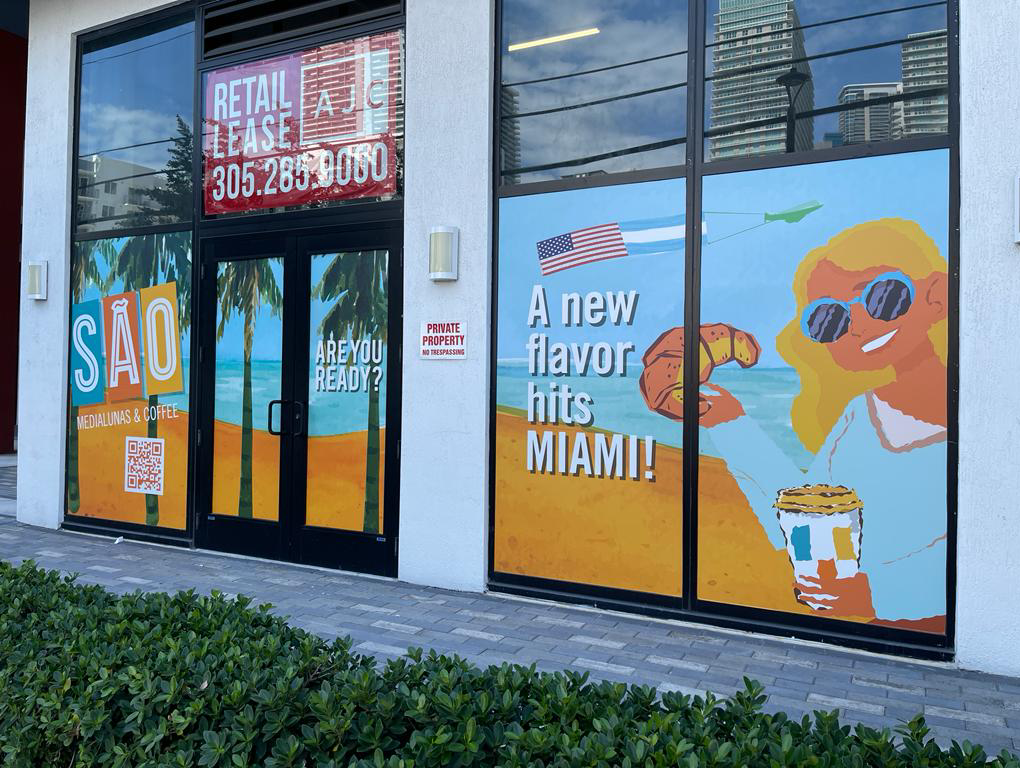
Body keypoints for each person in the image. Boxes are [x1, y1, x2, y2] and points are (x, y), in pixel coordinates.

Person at [701, 218, 948, 629]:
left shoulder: (980, 417)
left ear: (936, 295)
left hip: (925, 629)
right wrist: (728, 422)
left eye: (883, 298)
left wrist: (878, 594)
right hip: (868, 631)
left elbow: (982, 544)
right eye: (830, 319)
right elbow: (804, 509)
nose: (859, 326)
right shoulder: (861, 414)